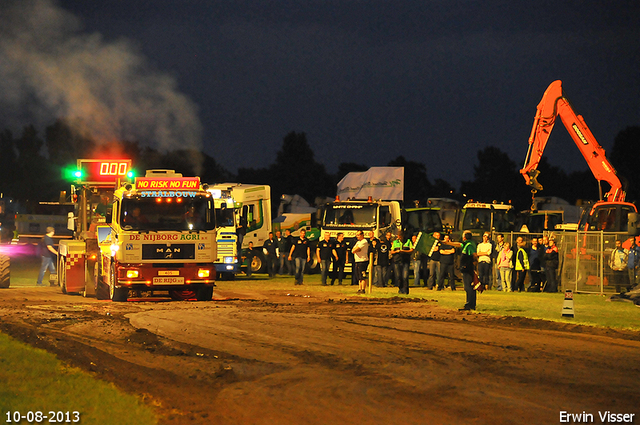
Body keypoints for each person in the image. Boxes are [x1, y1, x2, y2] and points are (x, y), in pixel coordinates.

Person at [459, 231, 478, 311]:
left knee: (468, 287)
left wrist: (474, 264)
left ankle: (470, 304)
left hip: (468, 268)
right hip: (467, 267)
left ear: (464, 237)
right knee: (469, 286)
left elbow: (474, 255)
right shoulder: (467, 243)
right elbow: (458, 244)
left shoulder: (469, 245)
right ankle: (470, 304)